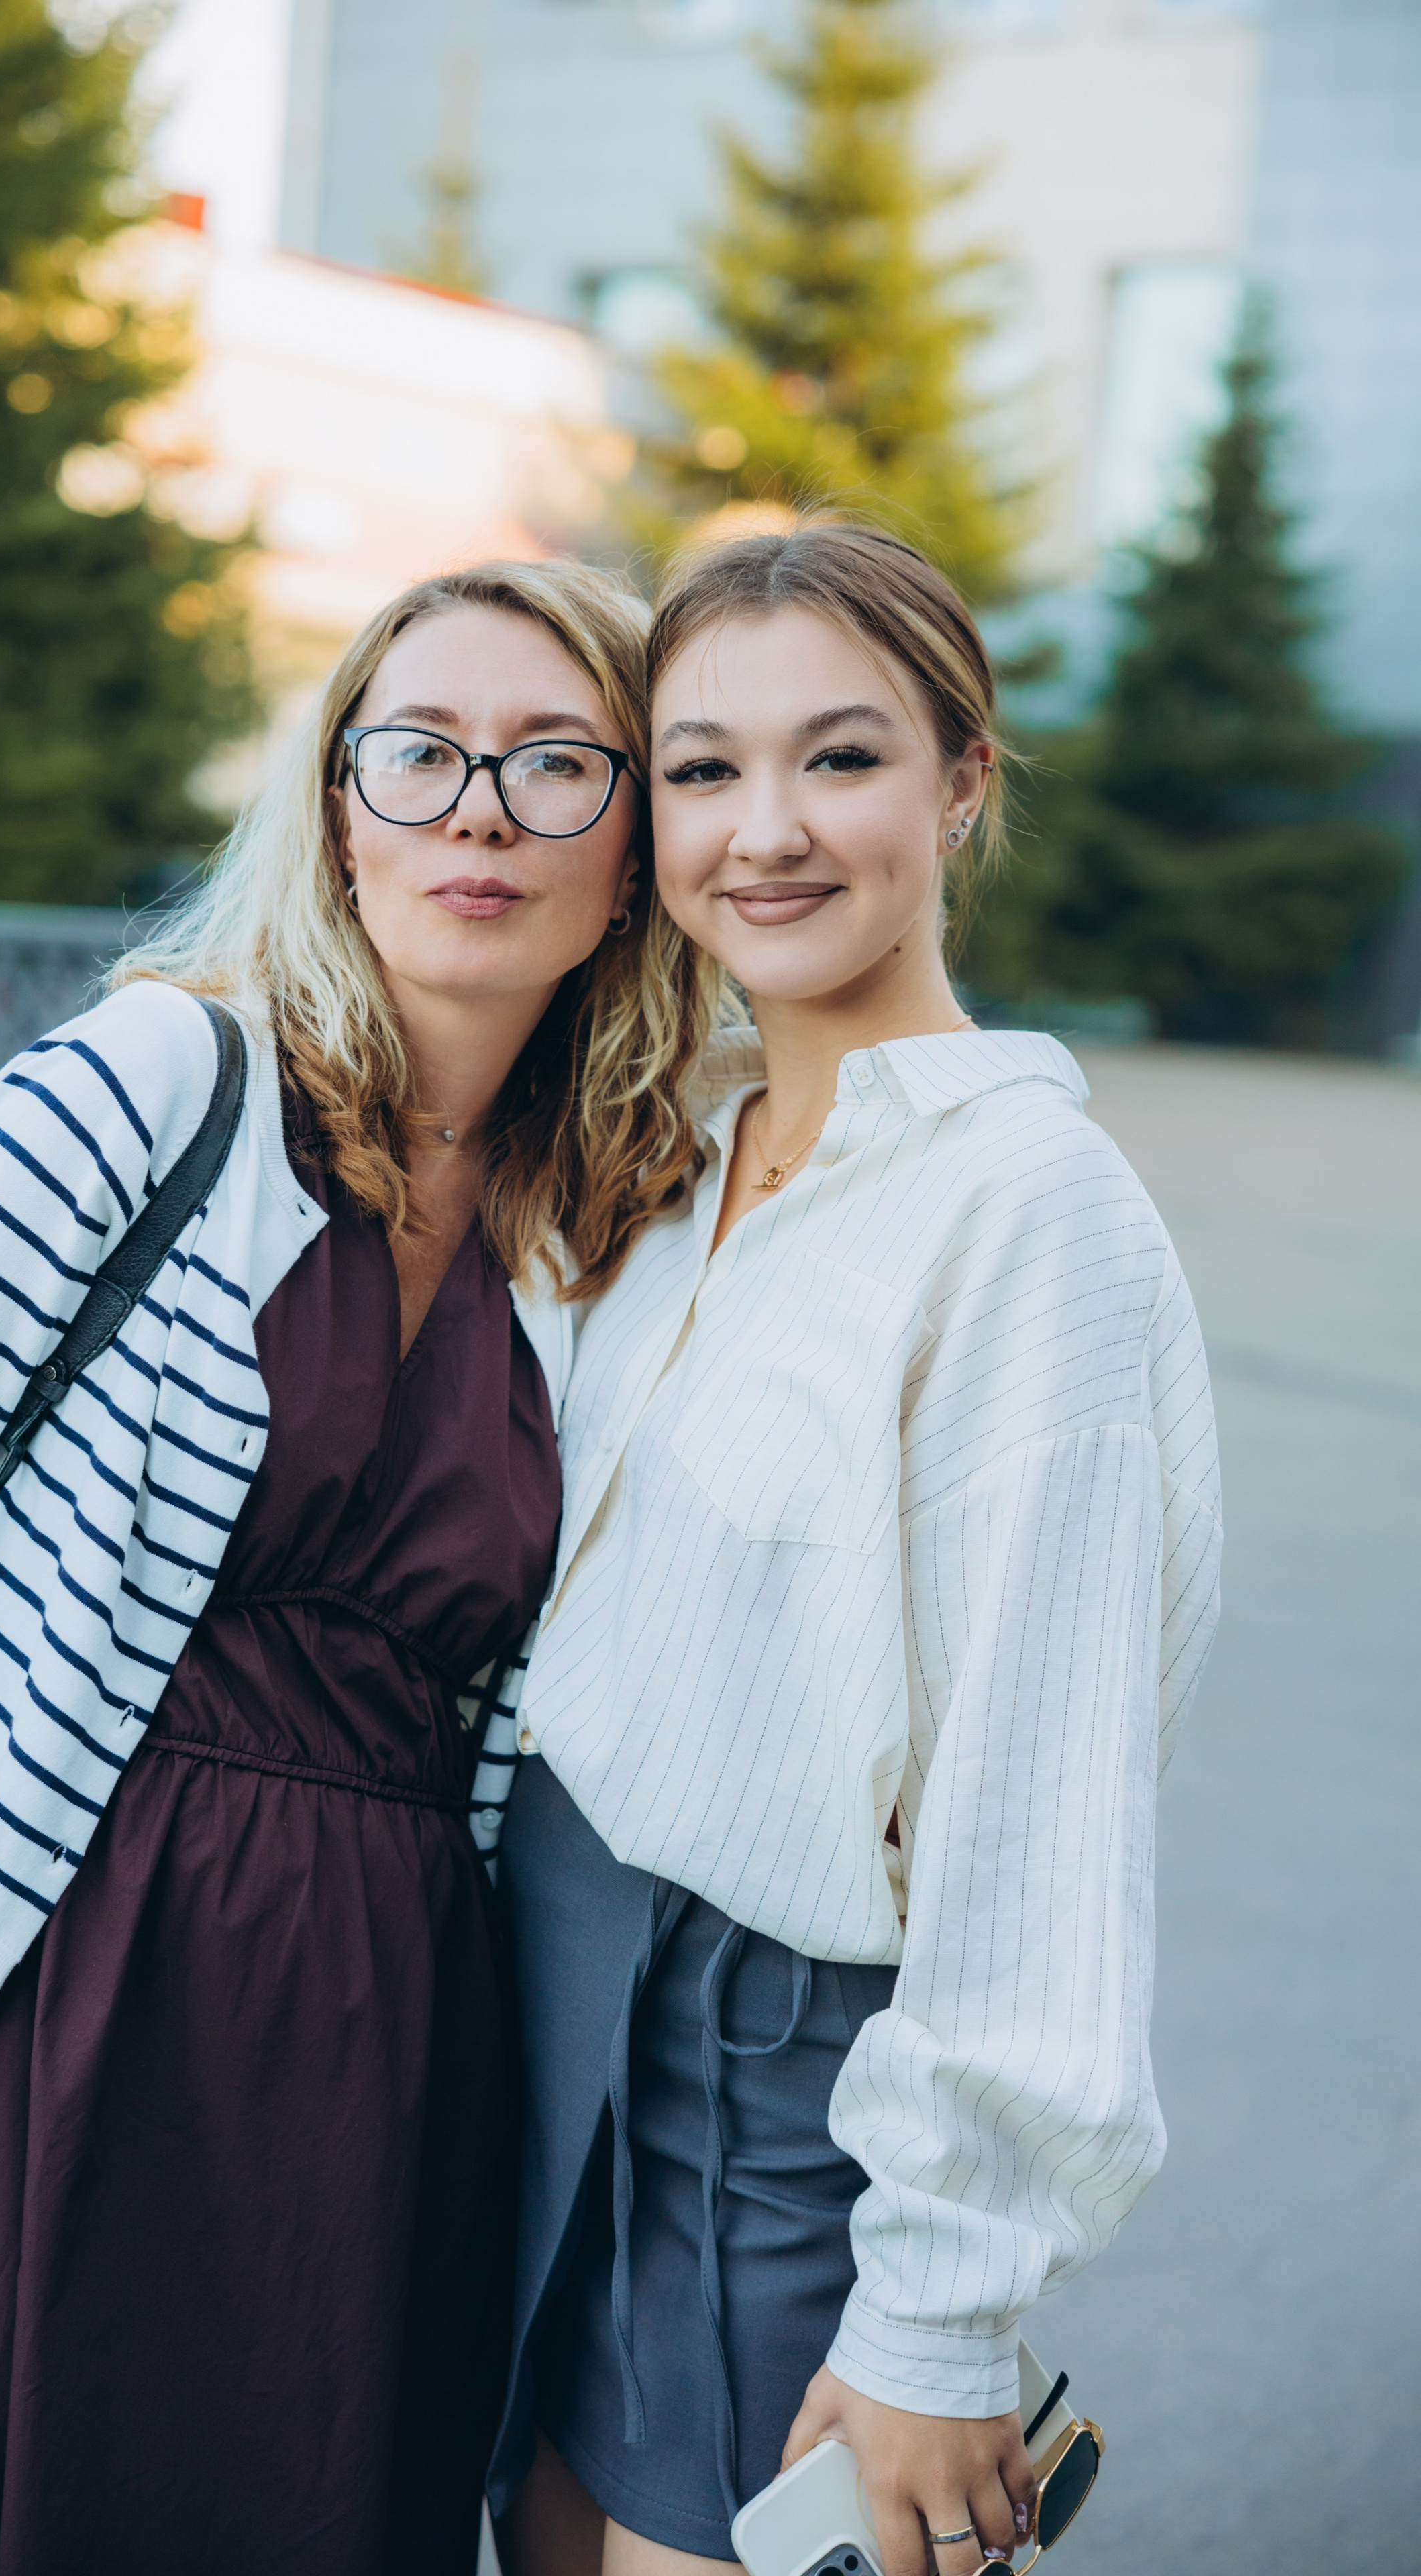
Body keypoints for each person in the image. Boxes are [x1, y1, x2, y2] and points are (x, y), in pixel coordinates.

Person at [0, 559, 715, 2576]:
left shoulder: (606, 1240)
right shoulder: (151, 1087)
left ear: (638, 842)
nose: (480, 816)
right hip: (25, 2002)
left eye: (555, 764)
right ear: (337, 807)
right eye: (418, 755)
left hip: (377, 2067)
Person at [489, 525, 1222, 2576]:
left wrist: (942, 2307)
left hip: (787, 2076)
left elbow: (1045, 1798)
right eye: (706, 770)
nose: (767, 833)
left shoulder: (1028, 1211)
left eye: (843, 759)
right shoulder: (679, 1151)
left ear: (963, 779)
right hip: (552, 2009)